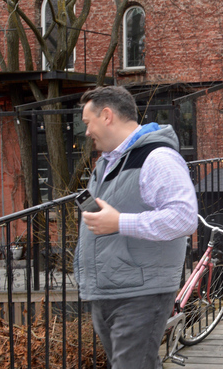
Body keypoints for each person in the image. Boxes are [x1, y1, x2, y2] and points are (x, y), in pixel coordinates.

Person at [74, 86, 198, 369]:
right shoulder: (106, 163)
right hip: (110, 291)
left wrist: (118, 222)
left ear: (106, 116)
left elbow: (184, 217)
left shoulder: (157, 158)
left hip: (140, 293)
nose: (86, 132)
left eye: (87, 122)